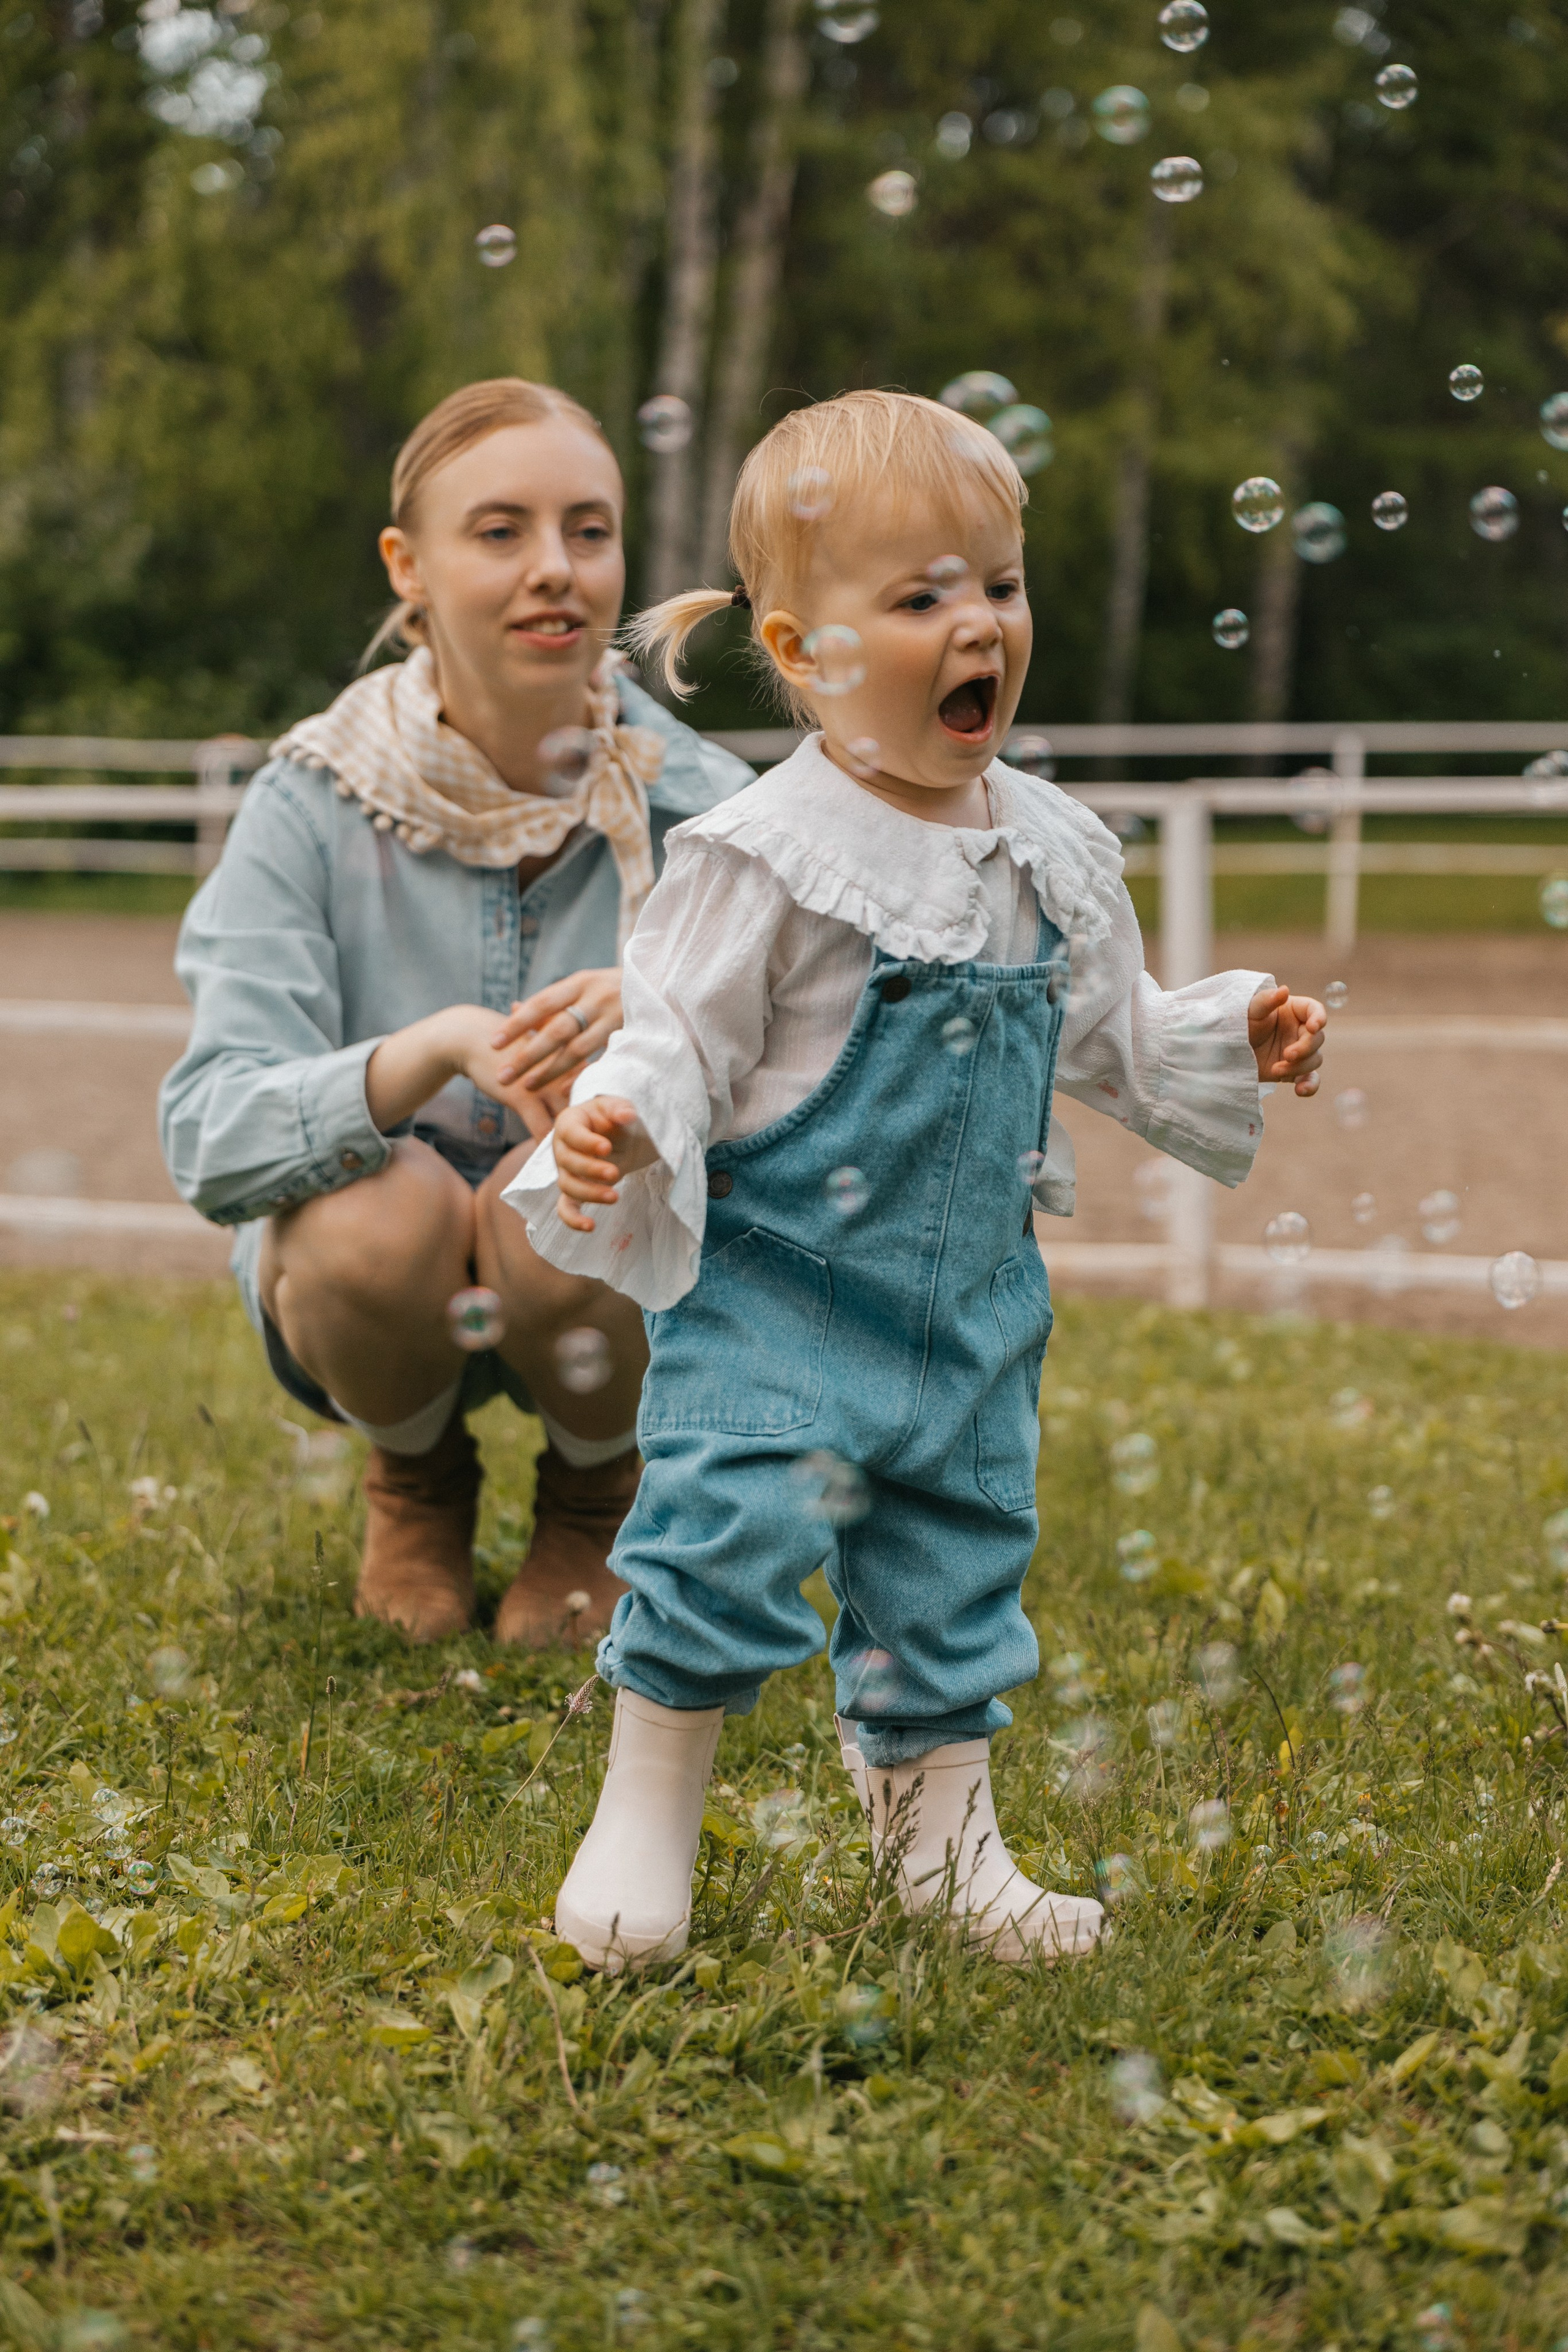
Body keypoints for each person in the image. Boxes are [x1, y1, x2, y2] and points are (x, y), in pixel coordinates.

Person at [503, 388, 1327, 1973]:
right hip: (781, 1296)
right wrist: (620, 1117)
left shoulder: (1047, 849)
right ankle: (647, 1815)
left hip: (966, 1311)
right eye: (923, 596)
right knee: (724, 1530)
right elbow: (675, 1029)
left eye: (999, 585)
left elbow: (1109, 1037)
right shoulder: (768, 852)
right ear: (805, 651)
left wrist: (1237, 1026)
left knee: (956, 1564)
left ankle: (942, 1851)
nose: (981, 627)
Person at [159, 378, 753, 1646]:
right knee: (374, 1209)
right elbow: (208, 1136)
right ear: (406, 566)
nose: (556, 570)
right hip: (382, 1277)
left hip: (608, 1285)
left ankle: (596, 1496)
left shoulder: (712, 804)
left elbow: (824, 1091)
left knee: (583, 1171)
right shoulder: (306, 800)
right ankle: (414, 1484)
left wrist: (664, 1027)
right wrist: (418, 1053)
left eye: (588, 531)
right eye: (499, 531)